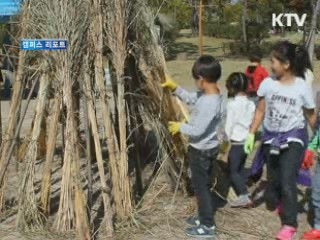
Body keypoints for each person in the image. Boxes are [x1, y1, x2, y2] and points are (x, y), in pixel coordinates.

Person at [244, 41, 317, 240]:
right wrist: (252, 133)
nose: (270, 64)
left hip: (294, 138)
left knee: (287, 180)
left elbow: (311, 116)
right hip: (271, 139)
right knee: (274, 180)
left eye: (273, 61)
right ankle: (284, 199)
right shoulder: (268, 84)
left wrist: (316, 141)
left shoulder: (302, 87)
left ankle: (289, 225)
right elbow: (260, 110)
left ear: (286, 64)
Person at [162, 55, 224, 238]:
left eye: (195, 79)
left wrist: (180, 126)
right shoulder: (212, 95)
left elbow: (196, 130)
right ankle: (203, 216)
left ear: (202, 80)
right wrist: (175, 88)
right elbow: (190, 98)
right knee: (203, 186)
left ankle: (207, 226)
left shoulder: (208, 104)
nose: (195, 83)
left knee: (200, 188)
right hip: (209, 148)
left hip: (202, 150)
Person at [225, 72, 256, 208]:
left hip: (237, 142)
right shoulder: (251, 104)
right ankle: (241, 187)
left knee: (233, 171)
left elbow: (228, 125)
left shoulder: (232, 105)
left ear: (231, 87)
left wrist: (224, 142)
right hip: (248, 141)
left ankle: (244, 195)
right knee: (241, 167)